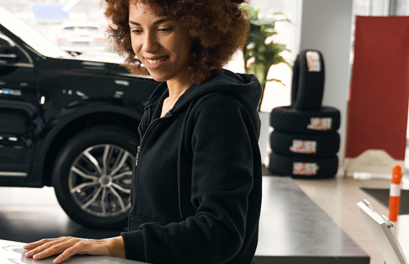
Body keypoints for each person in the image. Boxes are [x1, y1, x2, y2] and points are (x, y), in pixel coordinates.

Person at [22, 0, 262, 263]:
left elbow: (221, 232)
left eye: (164, 29)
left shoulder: (218, 109)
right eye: (136, 30)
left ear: (199, 30)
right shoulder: (162, 100)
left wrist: (112, 245)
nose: (147, 46)